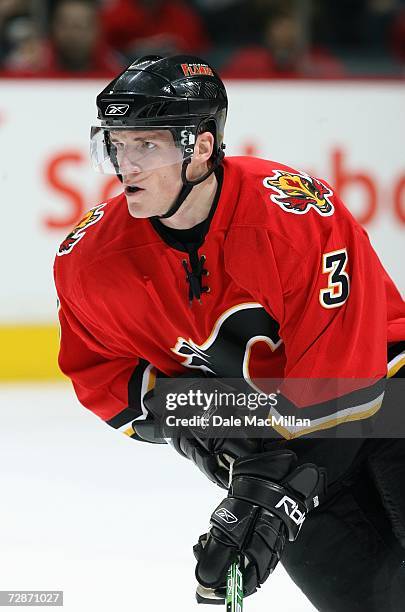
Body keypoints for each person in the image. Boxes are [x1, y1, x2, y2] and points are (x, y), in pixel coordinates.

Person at [54, 55, 405, 611]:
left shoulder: (291, 216)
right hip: (279, 442)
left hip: (390, 406)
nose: (127, 167)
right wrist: (215, 441)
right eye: (117, 145)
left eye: (148, 146)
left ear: (200, 147)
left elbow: (345, 377)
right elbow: (110, 380)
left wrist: (273, 492)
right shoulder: (90, 262)